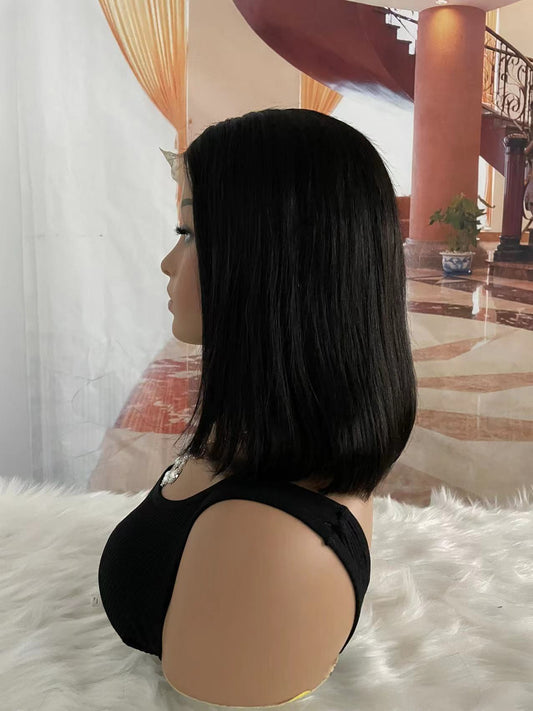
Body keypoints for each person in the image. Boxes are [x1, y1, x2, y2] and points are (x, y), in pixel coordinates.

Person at [99, 108, 418, 708]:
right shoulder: (257, 446)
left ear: (274, 261)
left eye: (188, 233)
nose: (168, 263)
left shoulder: (260, 544)